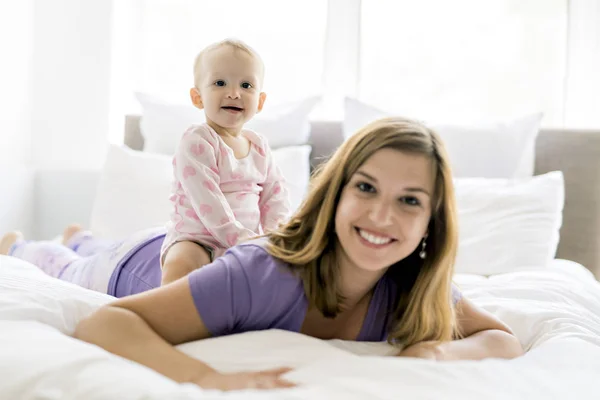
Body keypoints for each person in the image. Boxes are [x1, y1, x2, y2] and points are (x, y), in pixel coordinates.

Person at [0, 117, 524, 391]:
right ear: (335, 193)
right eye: (365, 189)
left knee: (87, 245)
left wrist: (435, 352)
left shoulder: (414, 290)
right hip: (138, 266)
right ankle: (38, 245)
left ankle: (76, 237)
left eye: (409, 201)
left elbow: (499, 339)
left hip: (194, 258)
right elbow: (104, 325)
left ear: (432, 221)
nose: (382, 217)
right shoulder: (266, 275)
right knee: (72, 264)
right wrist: (203, 378)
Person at [161, 38, 290, 284]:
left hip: (247, 242)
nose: (234, 93)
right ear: (197, 97)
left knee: (282, 273)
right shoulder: (198, 140)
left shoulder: (259, 147)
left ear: (260, 102)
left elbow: (275, 195)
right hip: (200, 239)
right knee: (182, 261)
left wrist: (275, 237)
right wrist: (241, 239)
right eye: (220, 83)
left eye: (246, 85)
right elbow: (207, 200)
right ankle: (162, 312)